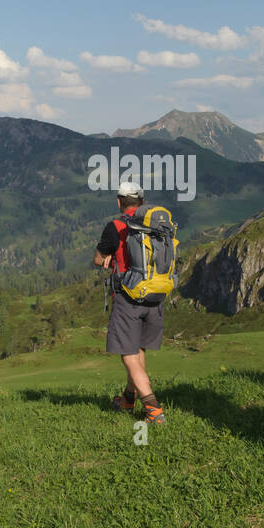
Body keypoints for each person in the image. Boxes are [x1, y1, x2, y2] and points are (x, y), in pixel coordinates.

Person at [93, 180, 166, 424]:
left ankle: (154, 411)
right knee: (137, 349)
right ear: (142, 202)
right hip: (156, 295)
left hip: (128, 297)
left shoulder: (116, 225)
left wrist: (111, 254)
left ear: (118, 202)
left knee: (128, 354)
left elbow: (97, 258)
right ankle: (127, 399)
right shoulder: (156, 222)